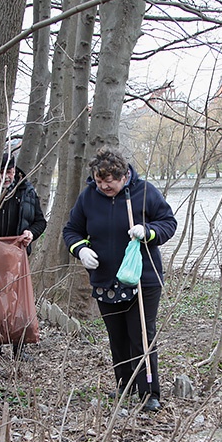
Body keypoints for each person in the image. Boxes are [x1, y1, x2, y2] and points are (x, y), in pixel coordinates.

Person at [63, 147, 177, 412]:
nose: (103, 187)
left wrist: (147, 231)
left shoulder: (145, 192)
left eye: (109, 182)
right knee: (117, 336)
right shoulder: (89, 197)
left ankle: (149, 393)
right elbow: (71, 230)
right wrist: (80, 249)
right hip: (105, 280)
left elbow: (168, 222)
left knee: (141, 336)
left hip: (142, 278)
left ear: (124, 176)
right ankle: (124, 386)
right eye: (99, 181)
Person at [0, 153, 47, 362]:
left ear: (15, 170)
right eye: (2, 172)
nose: (6, 177)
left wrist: (31, 234)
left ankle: (19, 348)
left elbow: (40, 222)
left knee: (17, 302)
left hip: (16, 257)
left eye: (10, 171)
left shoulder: (26, 191)